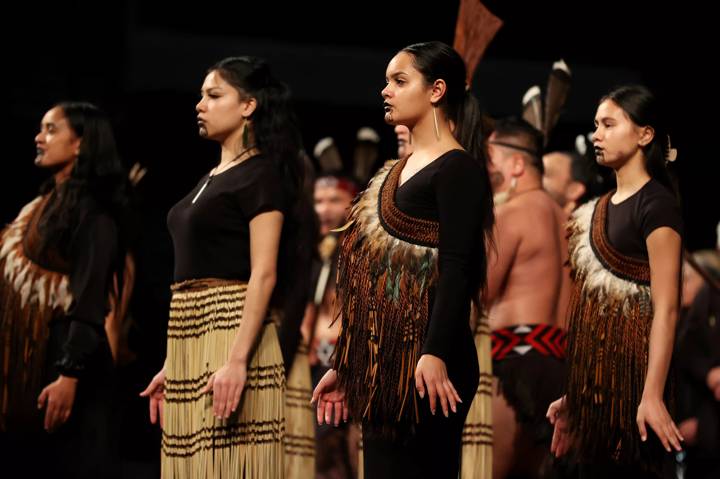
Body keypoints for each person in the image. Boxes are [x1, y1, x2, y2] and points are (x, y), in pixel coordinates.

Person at [311, 41, 494, 478]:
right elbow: (373, 278)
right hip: (381, 367)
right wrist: (347, 363)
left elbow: (458, 268)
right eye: (386, 82)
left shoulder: (457, 169)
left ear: (436, 91)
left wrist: (434, 353)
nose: (385, 91)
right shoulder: (396, 170)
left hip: (432, 364)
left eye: (399, 81)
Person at [140, 56, 307, 478]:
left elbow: (264, 273)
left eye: (214, 95)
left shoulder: (261, 174)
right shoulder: (213, 176)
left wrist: (237, 361)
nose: (200, 104)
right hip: (190, 339)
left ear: (248, 106)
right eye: (201, 96)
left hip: (234, 336)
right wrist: (173, 363)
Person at [547, 85, 684, 479]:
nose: (597, 135)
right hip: (595, 396)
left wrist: (653, 394)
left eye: (609, 124)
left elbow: (667, 307)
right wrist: (576, 392)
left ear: (645, 135)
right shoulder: (601, 207)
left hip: (637, 388)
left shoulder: (657, 204)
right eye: (595, 126)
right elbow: (594, 316)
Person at [0, 101, 131, 478]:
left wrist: (69, 374)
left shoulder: (95, 214)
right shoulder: (43, 205)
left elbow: (90, 299)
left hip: (71, 362)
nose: (39, 137)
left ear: (80, 144)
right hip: (37, 359)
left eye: (51, 129)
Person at [484, 117, 570, 478]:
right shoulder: (567, 220)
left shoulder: (513, 211)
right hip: (558, 367)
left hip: (512, 361)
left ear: (517, 165)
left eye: (491, 161)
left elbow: (479, 290)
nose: (486, 170)